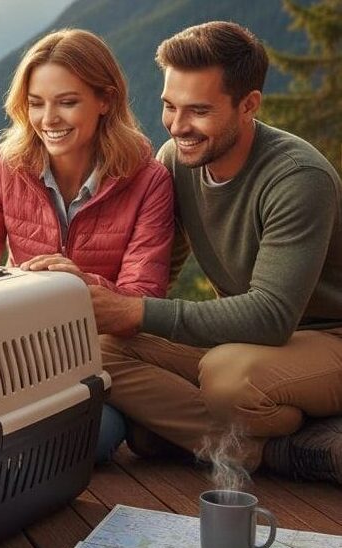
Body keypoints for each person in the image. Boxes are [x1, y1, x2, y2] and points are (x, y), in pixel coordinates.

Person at [0, 29, 175, 463]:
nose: (48, 118)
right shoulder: (1, 166)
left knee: (96, 436)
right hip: (14, 356)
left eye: (67, 101)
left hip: (95, 361)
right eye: (35, 103)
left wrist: (73, 283)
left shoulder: (149, 179)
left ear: (105, 100)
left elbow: (141, 303)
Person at [90, 21, 342, 483]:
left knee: (228, 381)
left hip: (326, 338)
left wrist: (138, 314)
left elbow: (270, 315)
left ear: (248, 105)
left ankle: (223, 434)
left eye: (199, 111)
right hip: (248, 343)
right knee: (99, 348)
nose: (179, 126)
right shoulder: (177, 160)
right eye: (170, 106)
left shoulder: (298, 178)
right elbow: (158, 271)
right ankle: (269, 446)